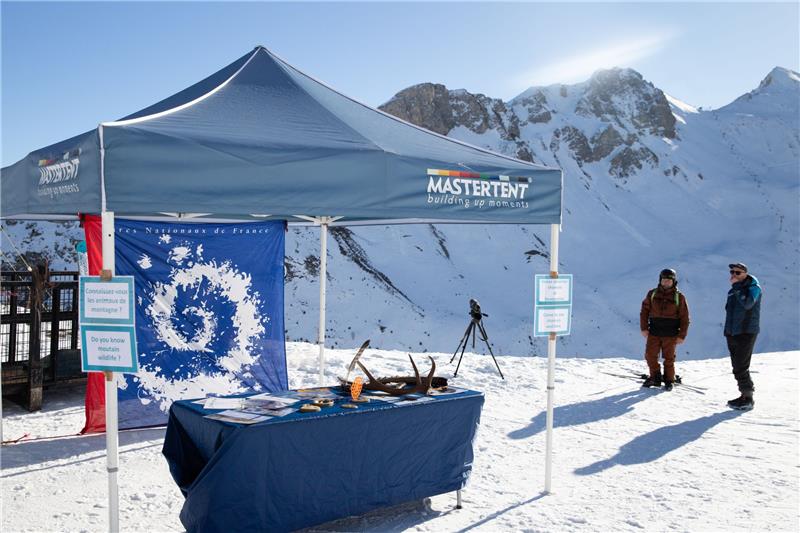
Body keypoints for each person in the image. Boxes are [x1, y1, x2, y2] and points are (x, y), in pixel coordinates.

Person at [639, 268, 690, 391]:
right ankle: (655, 378)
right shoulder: (652, 294)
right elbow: (644, 312)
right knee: (650, 355)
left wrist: (682, 335)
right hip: (654, 331)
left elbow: (685, 317)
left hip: (671, 333)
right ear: (660, 280)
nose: (666, 282)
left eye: (669, 280)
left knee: (669, 358)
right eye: (664, 280)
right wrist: (644, 328)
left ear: (673, 281)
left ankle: (669, 380)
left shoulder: (679, 297)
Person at [724, 262, 762, 411]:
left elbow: (748, 304)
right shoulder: (733, 290)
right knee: (737, 366)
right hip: (733, 333)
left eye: (738, 272)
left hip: (746, 332)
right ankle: (744, 395)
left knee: (741, 366)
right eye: (732, 272)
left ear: (745, 274)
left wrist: (737, 287)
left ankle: (748, 398)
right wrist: (728, 331)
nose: (734, 275)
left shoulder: (753, 288)